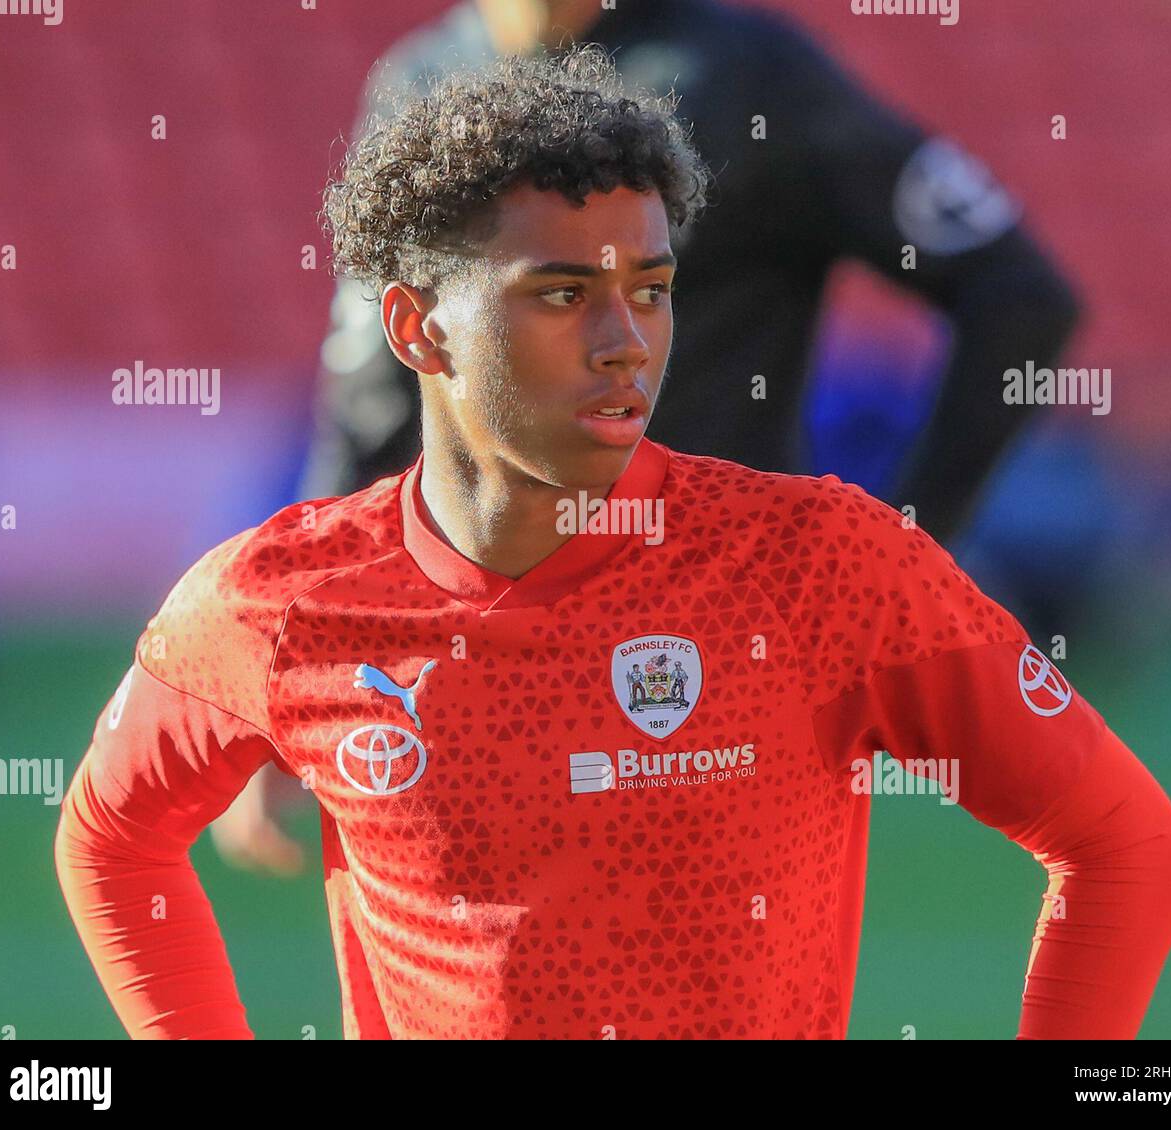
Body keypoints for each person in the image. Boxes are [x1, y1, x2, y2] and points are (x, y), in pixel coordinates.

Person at [57, 49, 1171, 1040]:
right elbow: (110, 835)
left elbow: (1124, 845)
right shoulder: (280, 598)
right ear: (415, 326)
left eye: (649, 290)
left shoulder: (822, 562)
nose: (624, 343)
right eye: (560, 293)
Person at [218, 0, 1081, 875]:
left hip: (716, 656)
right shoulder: (419, 80)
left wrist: (901, 559)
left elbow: (1020, 298)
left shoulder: (751, 74)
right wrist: (298, 667)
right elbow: (370, 396)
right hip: (476, 666)